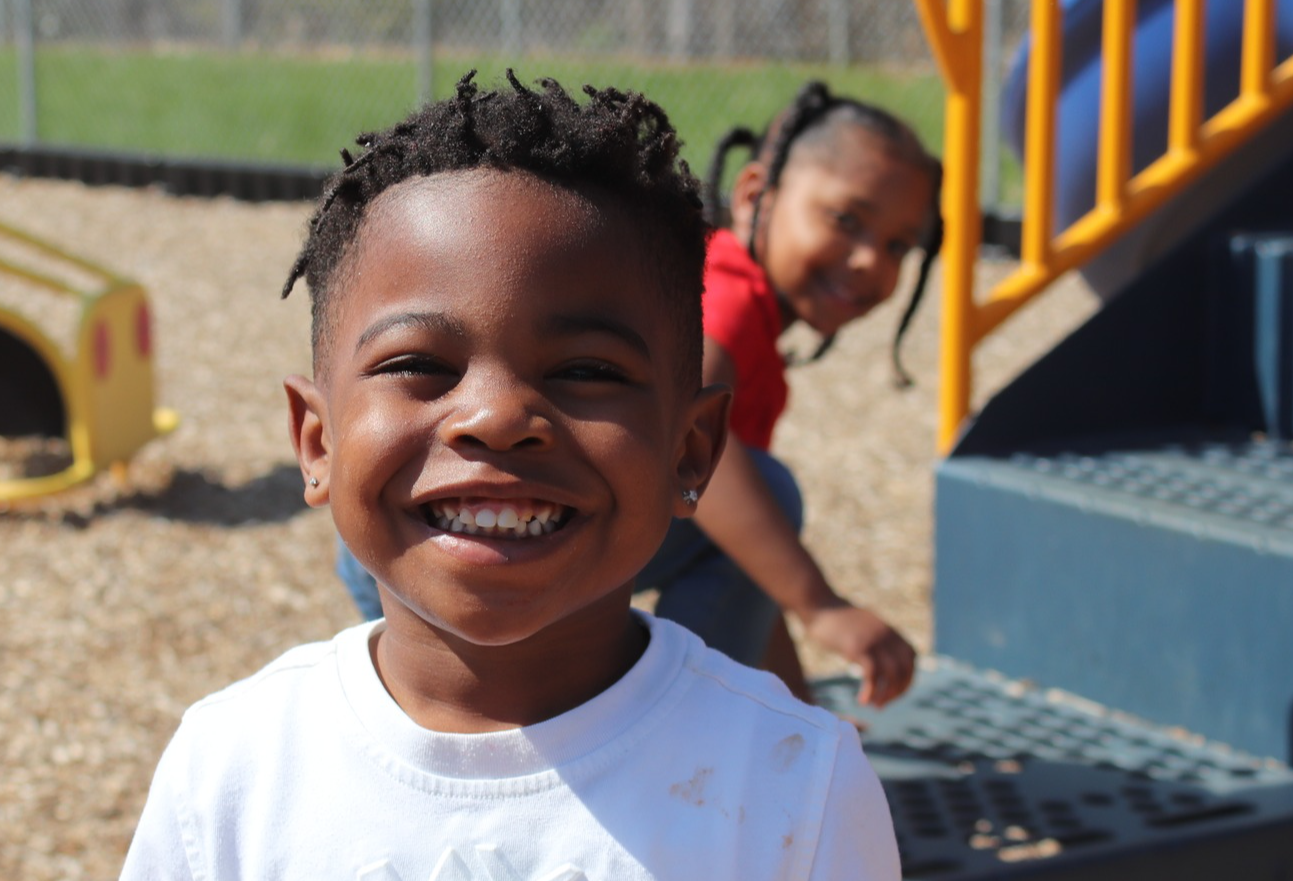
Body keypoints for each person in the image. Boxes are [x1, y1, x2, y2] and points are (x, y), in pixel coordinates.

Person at [118, 72, 898, 879]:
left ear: (690, 450)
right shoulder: (230, 772)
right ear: (316, 441)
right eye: (419, 363)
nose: (494, 416)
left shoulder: (798, 789)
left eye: (588, 369)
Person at [339, 80, 937, 709]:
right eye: (846, 220)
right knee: (764, 492)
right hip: (467, 523)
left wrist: (795, 715)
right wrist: (822, 605)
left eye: (898, 244)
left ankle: (702, 719)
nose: (872, 261)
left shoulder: (734, 301)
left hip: (449, 519)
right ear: (755, 194)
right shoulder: (726, 298)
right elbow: (723, 485)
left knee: (757, 517)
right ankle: (685, 726)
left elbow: (744, 562)